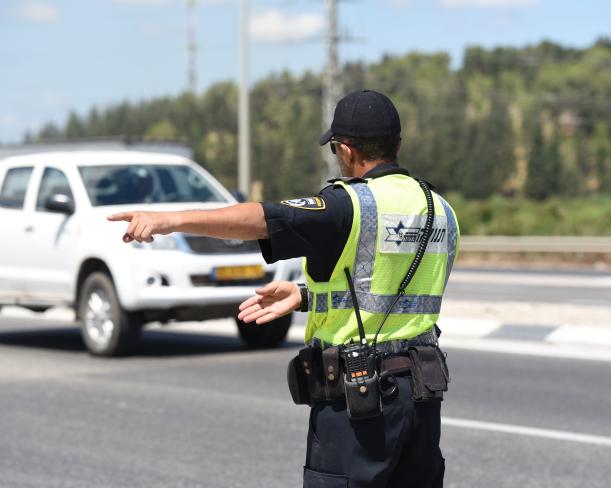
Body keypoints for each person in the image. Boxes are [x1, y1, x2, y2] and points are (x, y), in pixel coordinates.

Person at [107, 89, 459, 488]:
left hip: (361, 405)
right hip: (422, 400)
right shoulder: (440, 209)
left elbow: (261, 218)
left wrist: (168, 219)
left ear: (345, 150)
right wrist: (306, 295)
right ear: (397, 144)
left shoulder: (349, 205)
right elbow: (397, 292)